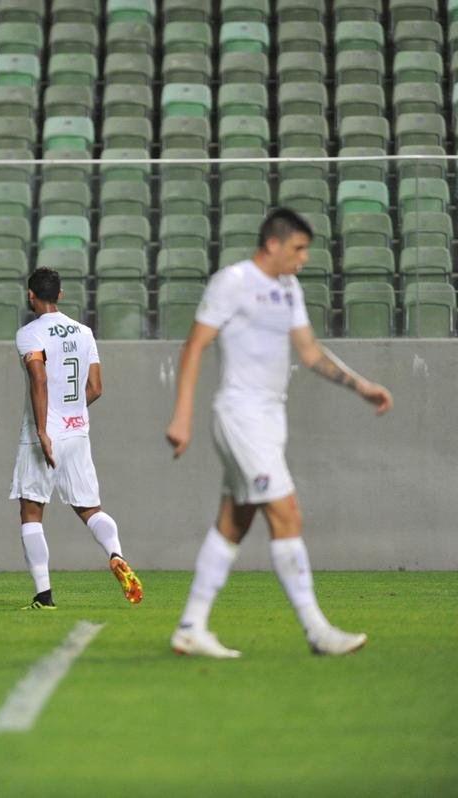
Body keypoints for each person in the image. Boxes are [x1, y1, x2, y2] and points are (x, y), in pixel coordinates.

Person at [165, 208, 393, 658]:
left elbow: (308, 352)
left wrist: (361, 385)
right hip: (239, 415)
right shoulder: (232, 282)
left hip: (271, 419)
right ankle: (317, 631)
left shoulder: (288, 288)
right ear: (273, 244)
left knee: (234, 521)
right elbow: (195, 345)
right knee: (287, 514)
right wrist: (182, 415)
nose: (304, 258)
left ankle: (191, 626)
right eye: (298, 248)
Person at [10, 268, 144, 610]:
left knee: (31, 512)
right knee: (90, 508)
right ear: (61, 293)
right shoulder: (84, 332)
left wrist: (43, 430)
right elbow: (96, 388)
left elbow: (38, 380)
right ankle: (115, 553)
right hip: (77, 430)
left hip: (46, 434)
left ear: (30, 295)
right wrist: (71, 414)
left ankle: (44, 595)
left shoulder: (29, 334)